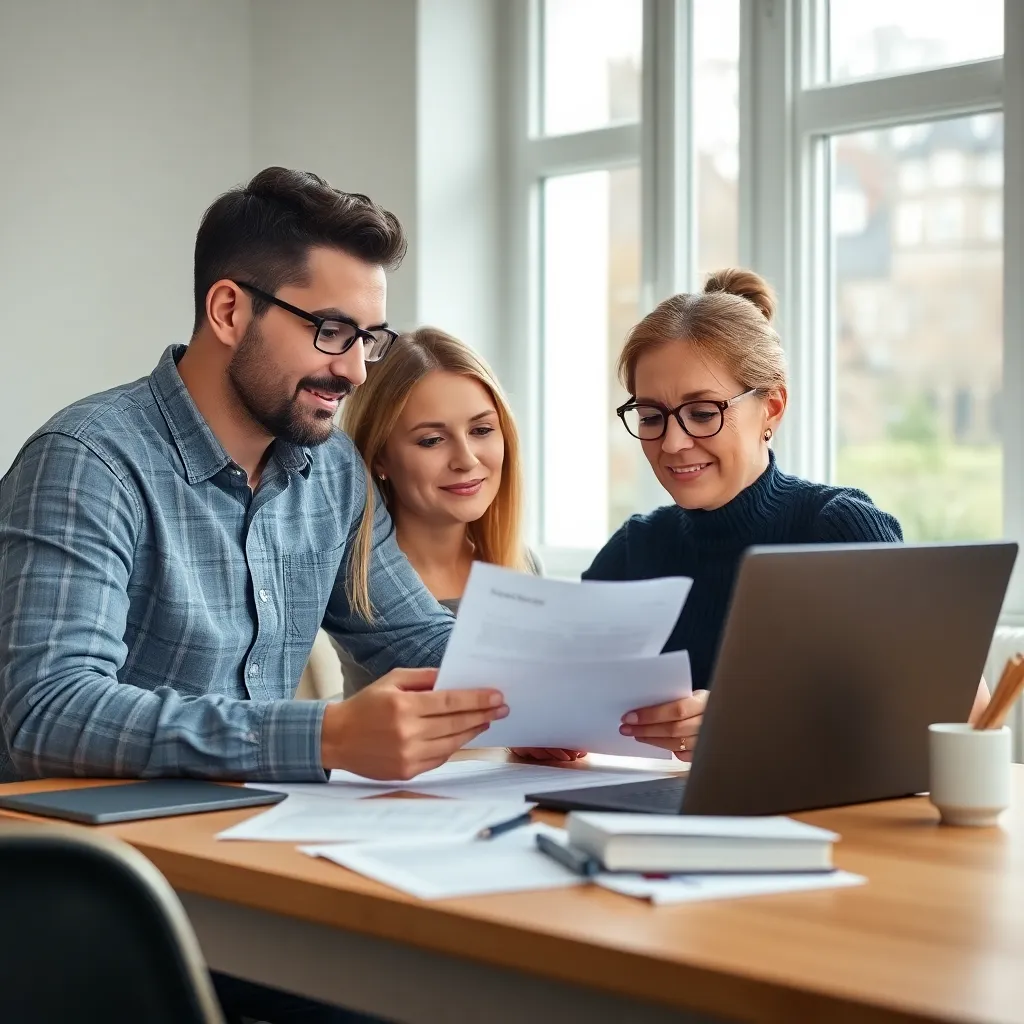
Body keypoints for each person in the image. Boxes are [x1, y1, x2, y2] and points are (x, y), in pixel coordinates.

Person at [0, 166, 511, 1024]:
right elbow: (47, 711)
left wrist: (583, 692)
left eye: (369, 338)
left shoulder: (330, 470)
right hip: (91, 895)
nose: (354, 370)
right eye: (332, 331)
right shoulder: (88, 459)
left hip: (257, 863)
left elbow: (417, 637)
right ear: (230, 310)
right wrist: (326, 734)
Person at [585, 268, 990, 759]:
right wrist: (545, 735)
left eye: (703, 412)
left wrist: (744, 718)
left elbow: (968, 707)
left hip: (821, 824)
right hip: (657, 820)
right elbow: (563, 692)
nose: (672, 442)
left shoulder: (837, 527)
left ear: (772, 407)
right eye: (651, 417)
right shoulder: (638, 545)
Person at [338, 327, 583, 763]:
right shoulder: (356, 573)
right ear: (379, 458)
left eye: (482, 430)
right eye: (431, 440)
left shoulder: (521, 564)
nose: (467, 459)